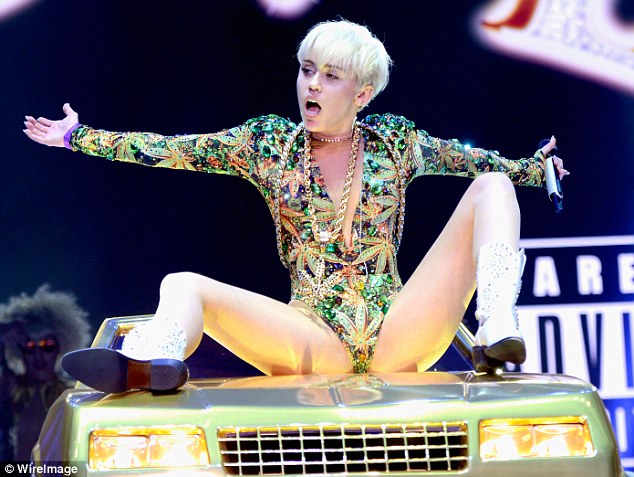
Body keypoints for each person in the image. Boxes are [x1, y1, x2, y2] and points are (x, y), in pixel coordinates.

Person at [23, 19, 568, 393]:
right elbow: (174, 149)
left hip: (400, 331)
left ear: (362, 93)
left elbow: (470, 161)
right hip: (314, 337)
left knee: (493, 184)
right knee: (181, 283)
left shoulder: (395, 141)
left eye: (331, 76)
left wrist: (534, 169)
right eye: (307, 69)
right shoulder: (267, 144)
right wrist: (78, 137)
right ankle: (150, 362)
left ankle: (498, 325)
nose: (312, 85)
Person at [0, 285, 91, 460]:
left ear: (60, 347)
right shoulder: (7, 389)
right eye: (29, 347)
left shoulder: (73, 394)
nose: (38, 356)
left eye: (47, 346)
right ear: (18, 350)